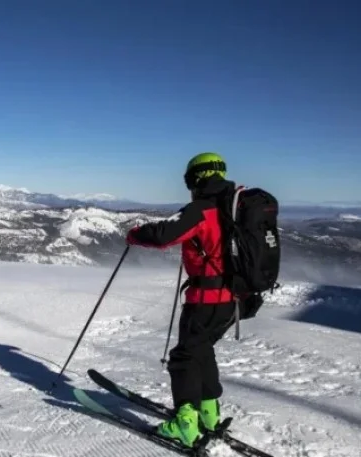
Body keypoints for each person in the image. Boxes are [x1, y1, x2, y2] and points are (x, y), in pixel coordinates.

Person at [124, 152, 237, 449]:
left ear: (196, 178)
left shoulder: (202, 209)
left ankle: (185, 424)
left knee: (184, 357)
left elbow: (164, 235)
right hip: (234, 301)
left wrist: (134, 235)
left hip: (206, 298)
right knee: (201, 350)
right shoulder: (232, 208)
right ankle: (209, 414)